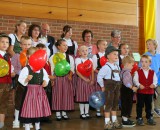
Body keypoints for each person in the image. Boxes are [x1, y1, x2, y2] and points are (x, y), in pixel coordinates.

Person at [18, 47, 51, 130]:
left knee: (38, 109)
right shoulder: (26, 69)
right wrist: (26, 79)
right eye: (33, 55)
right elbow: (20, 79)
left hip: (39, 92)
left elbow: (46, 77)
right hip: (30, 92)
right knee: (29, 109)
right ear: (29, 56)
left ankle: (37, 127)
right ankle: (27, 127)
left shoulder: (42, 69)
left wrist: (45, 82)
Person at [97, 46, 122, 130]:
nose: (116, 56)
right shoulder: (106, 67)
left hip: (117, 87)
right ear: (108, 56)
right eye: (114, 54)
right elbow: (99, 77)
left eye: (117, 54)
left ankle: (114, 121)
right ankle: (107, 122)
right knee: (108, 105)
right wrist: (102, 86)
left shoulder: (117, 67)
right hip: (109, 88)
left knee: (115, 104)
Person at [49, 39, 75, 121]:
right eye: (64, 45)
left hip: (66, 78)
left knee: (66, 95)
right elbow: (52, 69)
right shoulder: (53, 57)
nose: (66, 47)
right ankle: (58, 113)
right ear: (58, 46)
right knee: (58, 94)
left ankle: (64, 112)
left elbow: (72, 68)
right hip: (57, 78)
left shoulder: (69, 57)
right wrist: (52, 80)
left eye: (66, 45)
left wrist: (70, 75)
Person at [11, 36, 32, 128]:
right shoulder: (16, 55)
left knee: (28, 101)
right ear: (20, 44)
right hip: (20, 81)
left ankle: (26, 120)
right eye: (24, 44)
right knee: (19, 100)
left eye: (29, 44)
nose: (27, 46)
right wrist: (22, 72)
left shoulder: (32, 55)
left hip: (30, 82)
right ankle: (16, 119)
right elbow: (14, 68)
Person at [134, 55, 157, 126]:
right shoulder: (138, 71)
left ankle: (149, 117)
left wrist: (154, 84)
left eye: (146, 62)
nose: (143, 63)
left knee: (149, 106)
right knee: (140, 105)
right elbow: (135, 80)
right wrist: (138, 85)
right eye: (142, 62)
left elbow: (155, 80)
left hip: (150, 92)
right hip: (141, 92)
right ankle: (139, 118)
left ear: (150, 63)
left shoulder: (152, 72)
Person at [0, 33, 15, 129]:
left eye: (7, 42)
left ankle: (1, 122)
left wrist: (11, 73)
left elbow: (10, 70)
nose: (5, 44)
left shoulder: (8, 56)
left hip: (6, 84)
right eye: (2, 42)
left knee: (3, 103)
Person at [75, 45, 94, 119]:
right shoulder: (78, 60)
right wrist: (84, 79)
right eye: (82, 51)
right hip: (82, 79)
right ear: (79, 53)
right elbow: (77, 71)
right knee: (82, 97)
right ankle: (82, 113)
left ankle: (87, 112)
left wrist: (92, 79)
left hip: (89, 79)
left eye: (86, 50)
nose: (84, 52)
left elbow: (92, 70)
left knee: (87, 97)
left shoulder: (90, 60)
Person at [143, 39, 160, 116]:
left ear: (154, 46)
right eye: (147, 44)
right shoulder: (145, 55)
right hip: (148, 79)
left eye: (149, 44)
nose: (147, 46)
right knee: (151, 95)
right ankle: (151, 111)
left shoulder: (159, 55)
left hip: (158, 79)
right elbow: (141, 67)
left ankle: (157, 108)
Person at [120, 56, 137, 127]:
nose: (133, 66)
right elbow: (126, 83)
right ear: (127, 64)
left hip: (124, 90)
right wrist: (132, 87)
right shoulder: (127, 72)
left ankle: (125, 119)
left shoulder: (123, 71)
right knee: (127, 104)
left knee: (125, 104)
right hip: (127, 90)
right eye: (132, 65)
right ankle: (125, 121)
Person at [92, 40, 107, 117]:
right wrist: (101, 74)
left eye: (106, 45)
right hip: (99, 77)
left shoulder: (107, 56)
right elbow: (94, 68)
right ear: (98, 46)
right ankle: (98, 110)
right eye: (103, 44)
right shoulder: (95, 56)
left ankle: (105, 109)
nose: (105, 46)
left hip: (106, 78)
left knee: (105, 93)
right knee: (98, 94)